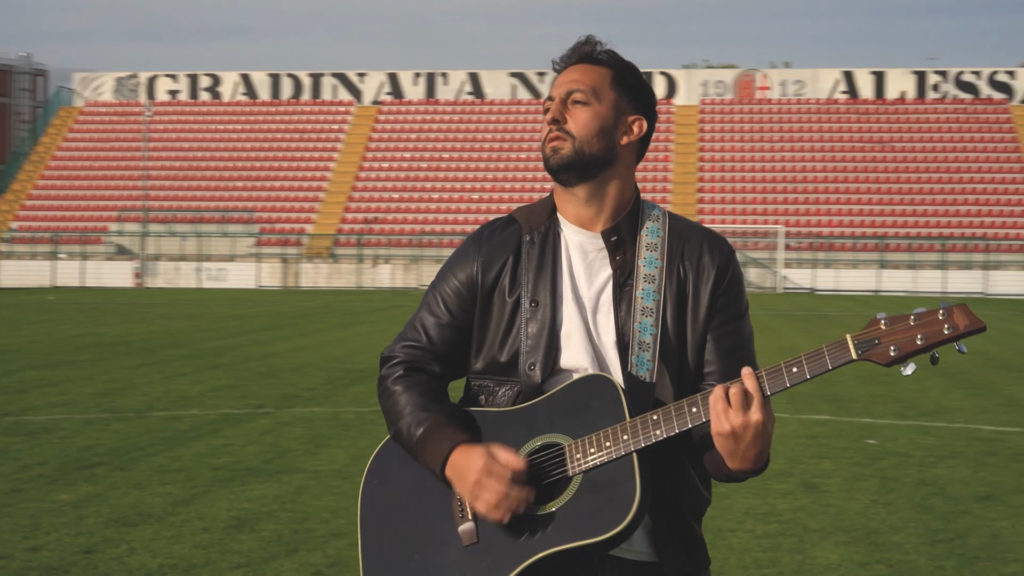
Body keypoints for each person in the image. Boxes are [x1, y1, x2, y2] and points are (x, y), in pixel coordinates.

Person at [377, 35, 774, 576]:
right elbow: (406, 366)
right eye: (549, 105)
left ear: (632, 128)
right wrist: (457, 457)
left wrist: (740, 456)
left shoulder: (700, 260)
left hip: (646, 552)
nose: (552, 114)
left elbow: (716, 427)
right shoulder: (495, 248)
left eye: (577, 101)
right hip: (510, 546)